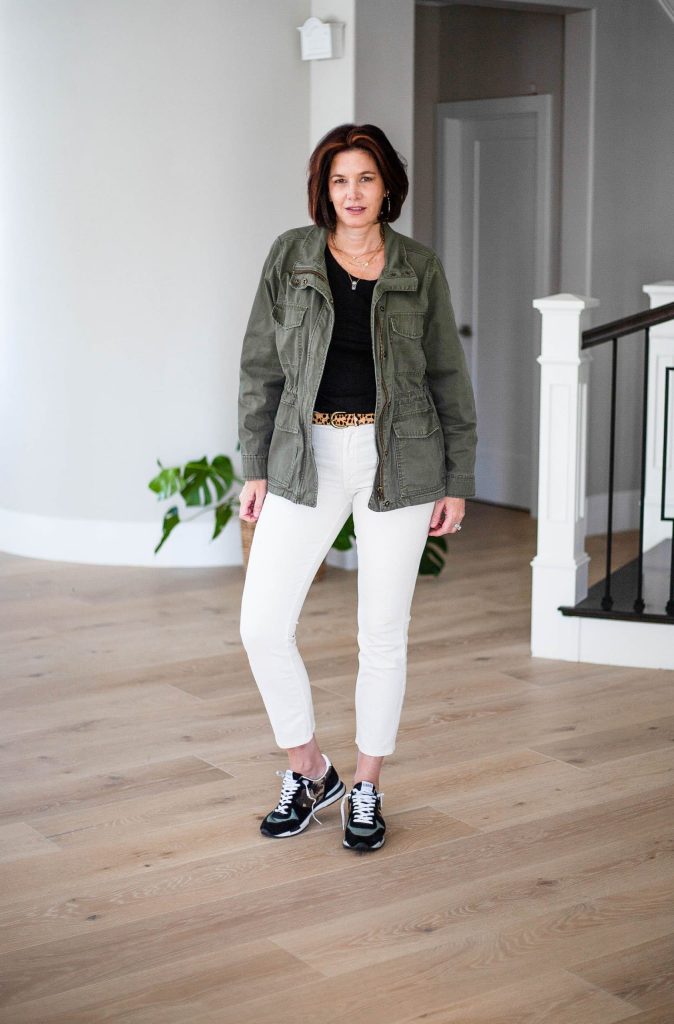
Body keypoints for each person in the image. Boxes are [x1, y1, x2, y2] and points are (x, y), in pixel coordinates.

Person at [237, 123, 477, 852]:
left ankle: (367, 784)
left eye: (366, 179)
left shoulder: (417, 268)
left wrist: (457, 479)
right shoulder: (291, 256)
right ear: (324, 188)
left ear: (387, 187)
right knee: (261, 625)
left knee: (382, 633)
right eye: (340, 180)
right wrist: (254, 465)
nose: (353, 193)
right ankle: (311, 770)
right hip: (303, 454)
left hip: (396, 456)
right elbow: (260, 368)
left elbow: (446, 377)